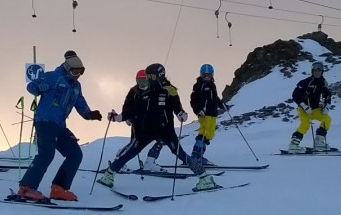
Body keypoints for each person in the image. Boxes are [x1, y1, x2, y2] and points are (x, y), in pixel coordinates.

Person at [98, 63, 218, 191]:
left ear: (160, 75)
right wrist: (118, 117)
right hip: (147, 130)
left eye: (151, 76)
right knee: (132, 150)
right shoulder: (146, 91)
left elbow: (176, 106)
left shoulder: (169, 90)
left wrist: (181, 114)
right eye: (147, 77)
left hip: (165, 131)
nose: (148, 79)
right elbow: (134, 109)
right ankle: (109, 175)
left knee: (180, 153)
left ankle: (205, 179)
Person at [17, 51, 102, 202]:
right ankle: (26, 187)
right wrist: (38, 87)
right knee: (47, 153)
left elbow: (80, 102)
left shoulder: (76, 86)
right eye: (75, 72)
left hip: (59, 125)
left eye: (81, 72)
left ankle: (59, 188)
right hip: (45, 121)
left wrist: (89, 114)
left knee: (75, 154)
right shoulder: (53, 77)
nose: (77, 75)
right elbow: (31, 86)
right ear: (67, 68)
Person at [288, 61, 333, 153]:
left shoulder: (323, 82)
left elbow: (327, 95)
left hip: (315, 109)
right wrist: (305, 106)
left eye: (319, 71)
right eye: (315, 70)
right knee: (305, 125)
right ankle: (293, 145)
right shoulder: (305, 82)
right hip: (304, 109)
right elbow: (295, 95)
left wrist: (327, 106)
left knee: (327, 120)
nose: (317, 72)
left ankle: (318, 142)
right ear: (312, 71)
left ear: (322, 72)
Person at [190, 63, 221, 162]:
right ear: (201, 75)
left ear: (212, 75)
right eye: (204, 75)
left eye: (209, 75)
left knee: (210, 134)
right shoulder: (199, 85)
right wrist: (198, 110)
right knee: (204, 132)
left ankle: (199, 154)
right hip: (204, 113)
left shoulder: (212, 85)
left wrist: (221, 104)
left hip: (212, 113)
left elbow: (215, 97)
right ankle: (196, 155)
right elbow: (193, 100)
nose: (207, 77)